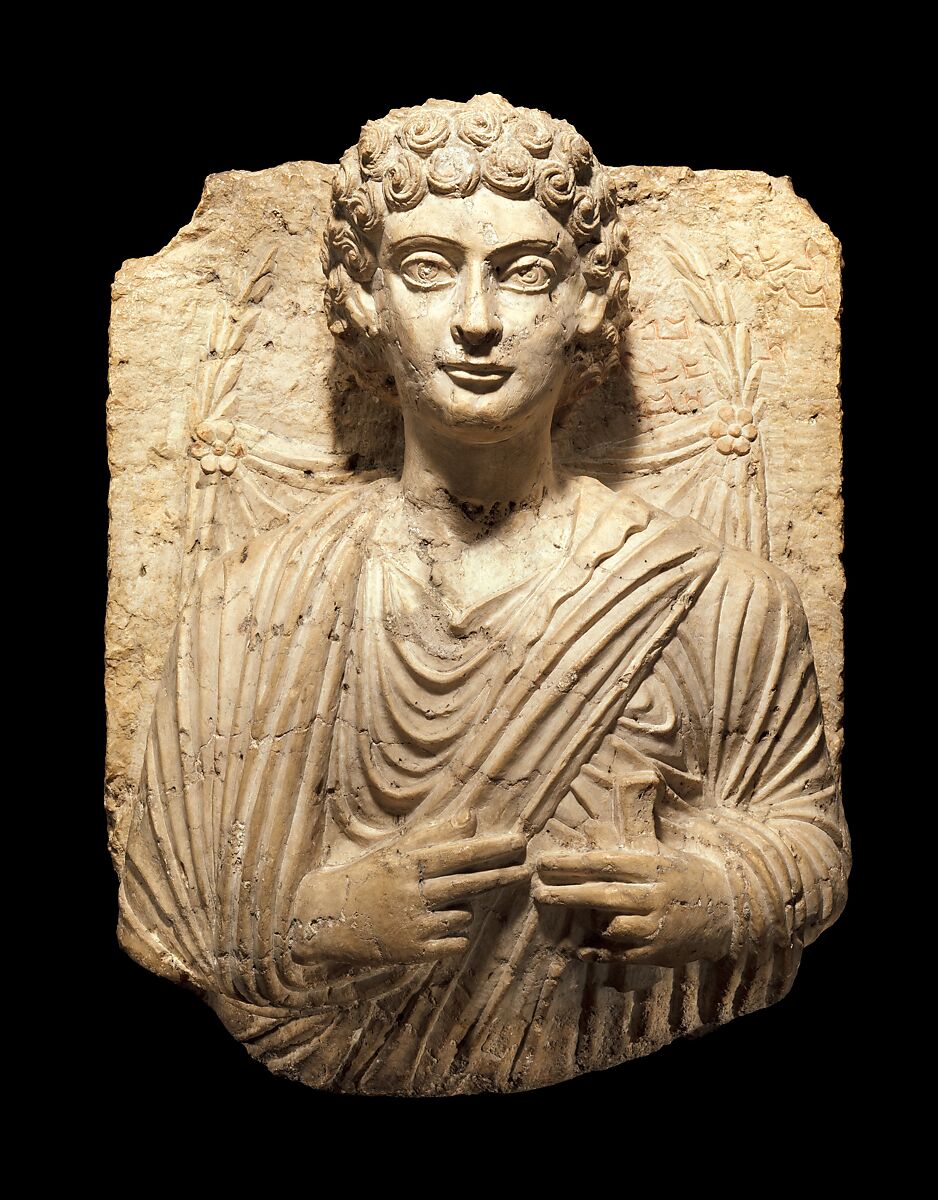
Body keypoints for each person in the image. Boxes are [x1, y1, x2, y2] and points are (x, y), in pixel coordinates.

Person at [117, 95, 850, 1095]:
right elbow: (163, 912)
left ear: (588, 301)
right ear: (365, 301)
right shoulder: (250, 604)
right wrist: (321, 924)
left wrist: (714, 892)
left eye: (524, 272)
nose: (475, 320)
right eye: (426, 269)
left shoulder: (718, 598)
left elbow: (809, 844)